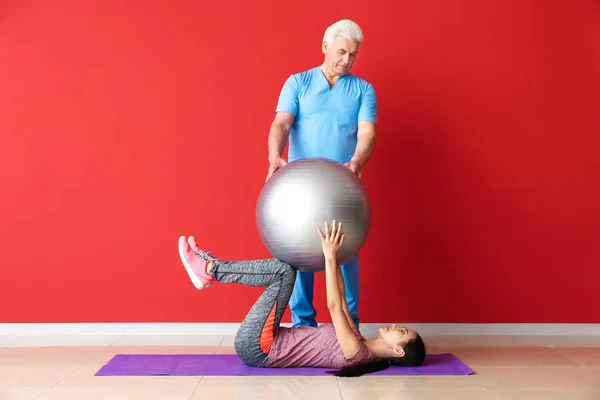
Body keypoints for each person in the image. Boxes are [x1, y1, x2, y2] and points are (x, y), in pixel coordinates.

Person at [177, 221, 425, 377]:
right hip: (269, 338)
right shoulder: (357, 337)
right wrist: (334, 254)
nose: (395, 325)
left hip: (259, 348)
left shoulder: (358, 354)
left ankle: (210, 269)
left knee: (284, 270)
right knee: (285, 270)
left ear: (397, 352)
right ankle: (209, 269)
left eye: (401, 331)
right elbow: (339, 292)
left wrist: (329, 257)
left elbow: (333, 306)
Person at [265, 19, 378, 328]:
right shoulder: (298, 83)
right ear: (325, 46)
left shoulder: (363, 90)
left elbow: (367, 134)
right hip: (301, 190)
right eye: (341, 51)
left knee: (344, 257)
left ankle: (349, 326)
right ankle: (303, 325)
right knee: (300, 256)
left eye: (353, 54)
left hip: (342, 189)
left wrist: (355, 163)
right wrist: (275, 156)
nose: (346, 60)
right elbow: (282, 123)